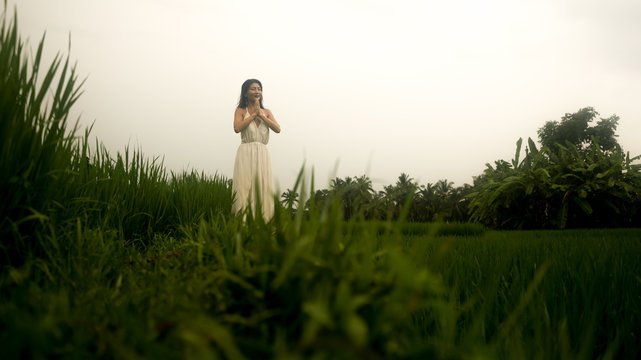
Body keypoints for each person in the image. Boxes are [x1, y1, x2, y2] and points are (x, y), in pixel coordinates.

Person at [231, 79, 281, 221]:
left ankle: (263, 223)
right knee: (244, 186)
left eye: (259, 89)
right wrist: (253, 115)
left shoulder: (267, 112)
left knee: (263, 187)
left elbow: (277, 129)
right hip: (246, 152)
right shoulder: (240, 111)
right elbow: (237, 128)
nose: (257, 91)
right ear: (246, 93)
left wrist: (262, 116)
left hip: (263, 153)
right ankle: (243, 222)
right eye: (253, 89)